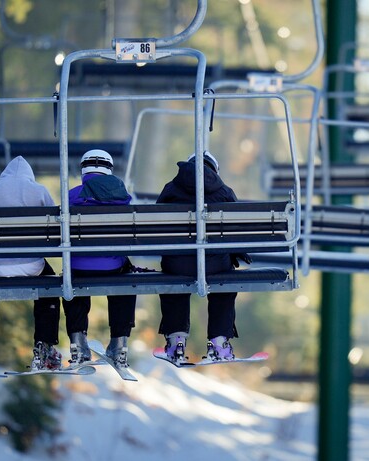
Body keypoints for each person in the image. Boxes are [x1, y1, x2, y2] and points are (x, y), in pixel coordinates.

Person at [156, 151, 251, 365]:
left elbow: (156, 228)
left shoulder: (170, 189)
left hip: (177, 264)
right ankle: (219, 343)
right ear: (214, 170)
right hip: (215, 264)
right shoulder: (224, 191)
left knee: (173, 280)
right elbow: (237, 230)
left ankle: (175, 342)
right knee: (224, 283)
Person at [0, 156, 62, 371]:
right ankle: (44, 347)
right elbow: (56, 228)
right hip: (33, 265)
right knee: (51, 287)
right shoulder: (39, 191)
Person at [62, 149, 137, 369]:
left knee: (70, 280)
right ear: (109, 170)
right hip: (113, 266)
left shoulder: (72, 196)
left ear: (83, 170)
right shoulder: (123, 197)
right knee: (126, 280)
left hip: (78, 266)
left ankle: (78, 342)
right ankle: (119, 344)